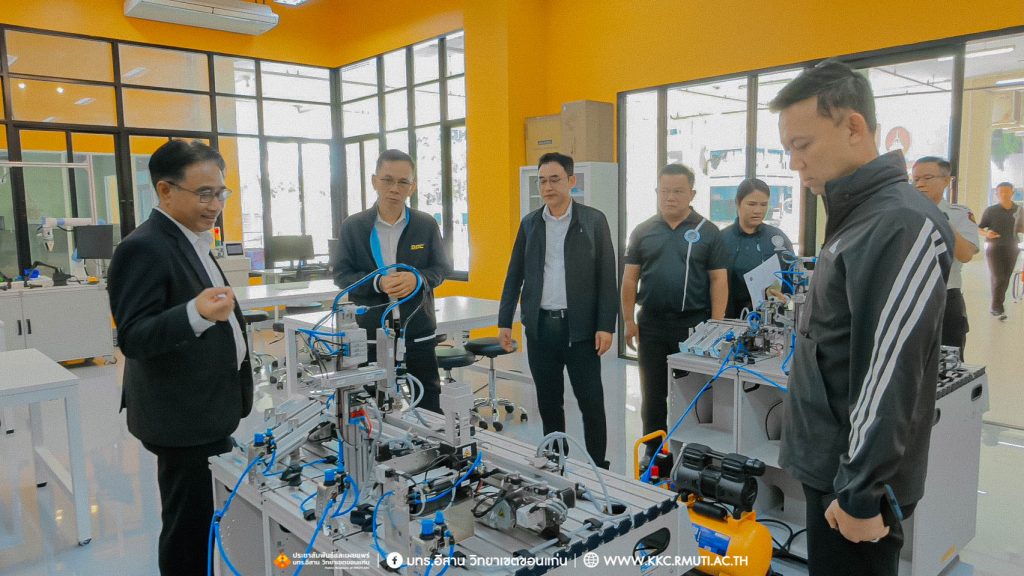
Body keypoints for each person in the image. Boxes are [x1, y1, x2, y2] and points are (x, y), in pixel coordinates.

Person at [770, 60, 953, 576]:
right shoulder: (857, 215)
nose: (795, 163)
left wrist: (860, 492)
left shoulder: (897, 222)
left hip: (852, 482)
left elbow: (889, 371)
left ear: (853, 127)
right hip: (833, 464)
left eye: (802, 145)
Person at [107, 140, 253, 576]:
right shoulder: (144, 247)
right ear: (165, 190)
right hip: (182, 418)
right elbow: (134, 337)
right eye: (204, 193)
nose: (215, 205)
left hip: (206, 408)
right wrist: (195, 313)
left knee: (203, 520)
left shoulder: (192, 239)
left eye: (221, 193)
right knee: (187, 530)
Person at [498, 152, 617, 468]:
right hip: (540, 329)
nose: (548, 187)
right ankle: (555, 463)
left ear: (571, 181)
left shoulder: (593, 220)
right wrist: (505, 321)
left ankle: (598, 467)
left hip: (580, 330)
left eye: (555, 179)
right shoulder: (530, 223)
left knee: (591, 403)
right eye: (542, 181)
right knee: (549, 403)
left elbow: (607, 277)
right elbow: (514, 274)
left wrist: (606, 325)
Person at [621, 163, 728, 460]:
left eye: (678, 191)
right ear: (657, 192)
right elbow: (629, 279)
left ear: (691, 194)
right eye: (665, 191)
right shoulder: (643, 231)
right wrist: (628, 320)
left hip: (693, 326)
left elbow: (719, 280)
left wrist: (717, 326)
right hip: (651, 324)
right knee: (653, 393)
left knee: (692, 392)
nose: (670, 197)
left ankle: (692, 453)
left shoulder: (708, 232)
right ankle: (654, 451)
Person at [334, 149, 452, 413]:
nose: (394, 188)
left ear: (412, 187)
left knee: (428, 403)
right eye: (387, 180)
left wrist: (418, 278)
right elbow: (341, 274)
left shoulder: (425, 224)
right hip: (371, 331)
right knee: (371, 406)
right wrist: (377, 283)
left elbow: (442, 268)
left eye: (403, 182)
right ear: (374, 181)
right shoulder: (354, 226)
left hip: (417, 329)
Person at [911, 156, 979, 356]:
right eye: (915, 179)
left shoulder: (959, 214)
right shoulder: (902, 213)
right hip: (909, 296)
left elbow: (966, 254)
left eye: (927, 178)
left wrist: (937, 217)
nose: (920, 184)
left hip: (946, 297)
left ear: (946, 181)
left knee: (949, 360)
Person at [719, 178, 795, 318]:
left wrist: (786, 300)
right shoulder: (722, 239)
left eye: (763, 204)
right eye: (752, 204)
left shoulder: (778, 239)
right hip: (730, 319)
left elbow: (793, 281)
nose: (758, 210)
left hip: (771, 319)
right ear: (737, 203)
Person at [978, 181, 1023, 321]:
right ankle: (996, 307)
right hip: (994, 248)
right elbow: (979, 228)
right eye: (1000, 192)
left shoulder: (1019, 210)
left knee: (1005, 278)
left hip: (1012, 248)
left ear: (1012, 193)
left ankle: (997, 304)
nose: (1003, 194)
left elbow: (1022, 228)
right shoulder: (991, 211)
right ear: (996, 194)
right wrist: (987, 234)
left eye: (1006, 191)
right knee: (998, 277)